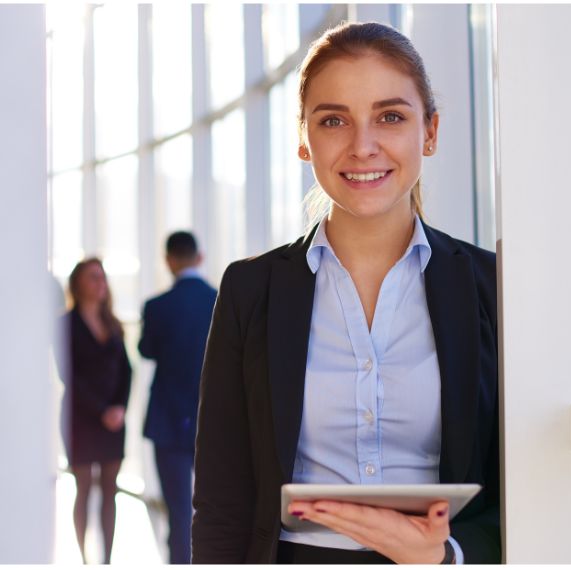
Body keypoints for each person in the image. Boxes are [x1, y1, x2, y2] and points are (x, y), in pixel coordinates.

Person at [192, 22, 500, 564]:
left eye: (390, 117)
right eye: (334, 120)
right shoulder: (251, 290)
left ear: (429, 131)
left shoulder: (489, 287)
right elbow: (222, 498)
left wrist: (448, 555)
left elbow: (514, 487)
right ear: (304, 139)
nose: (363, 146)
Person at [138, 231, 217, 564]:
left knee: (178, 510)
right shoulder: (220, 299)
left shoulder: (157, 306)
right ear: (199, 257)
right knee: (216, 507)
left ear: (168, 260)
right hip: (213, 418)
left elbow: (146, 350)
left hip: (169, 418)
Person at [57, 258, 133, 564]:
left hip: (113, 419)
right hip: (81, 418)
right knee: (84, 487)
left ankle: (107, 560)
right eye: (93, 277)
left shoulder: (113, 322)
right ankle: (85, 559)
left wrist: (119, 407)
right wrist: (101, 410)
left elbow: (127, 370)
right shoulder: (65, 324)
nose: (100, 283)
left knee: (109, 490)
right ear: (78, 284)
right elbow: (68, 375)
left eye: (102, 277)